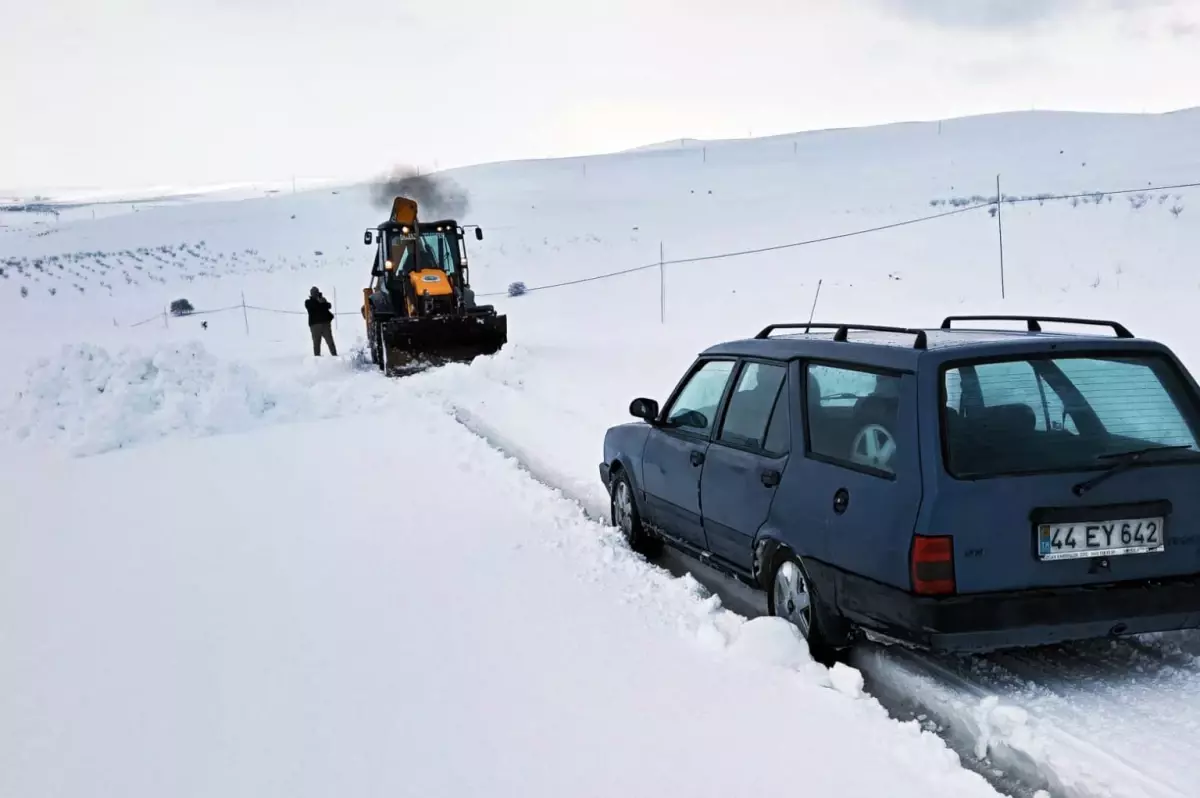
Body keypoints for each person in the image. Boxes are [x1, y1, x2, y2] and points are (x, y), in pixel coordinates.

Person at [305, 286, 337, 356]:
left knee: (330, 342)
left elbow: (329, 306)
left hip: (324, 324)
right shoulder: (308, 302)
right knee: (316, 344)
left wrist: (322, 301)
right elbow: (314, 306)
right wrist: (320, 302)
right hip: (315, 325)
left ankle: (335, 356)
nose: (315, 294)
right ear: (311, 294)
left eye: (316, 292)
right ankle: (317, 359)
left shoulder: (322, 299)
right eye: (314, 293)